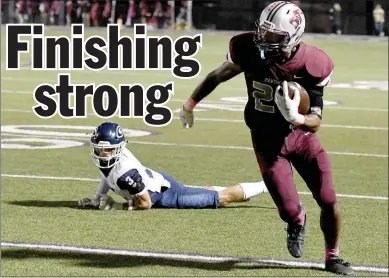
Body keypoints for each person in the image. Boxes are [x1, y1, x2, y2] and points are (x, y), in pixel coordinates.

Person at [178, 1, 353, 275]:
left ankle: (333, 256)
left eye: (274, 37)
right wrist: (190, 103)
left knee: (328, 198)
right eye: (263, 32)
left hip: (301, 137)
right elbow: (218, 75)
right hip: (267, 141)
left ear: (293, 37)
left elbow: (316, 120)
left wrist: (298, 119)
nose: (264, 40)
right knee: (288, 210)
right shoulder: (248, 48)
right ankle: (297, 220)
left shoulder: (312, 63)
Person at [78, 122, 268, 212]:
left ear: (118, 148)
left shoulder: (125, 171)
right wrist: (98, 198)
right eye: (100, 149)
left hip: (166, 194)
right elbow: (106, 175)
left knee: (221, 198)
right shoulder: (111, 160)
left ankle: (268, 185)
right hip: (157, 180)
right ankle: (257, 188)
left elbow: (145, 203)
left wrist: (116, 206)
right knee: (202, 191)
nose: (103, 154)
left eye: (108, 150)